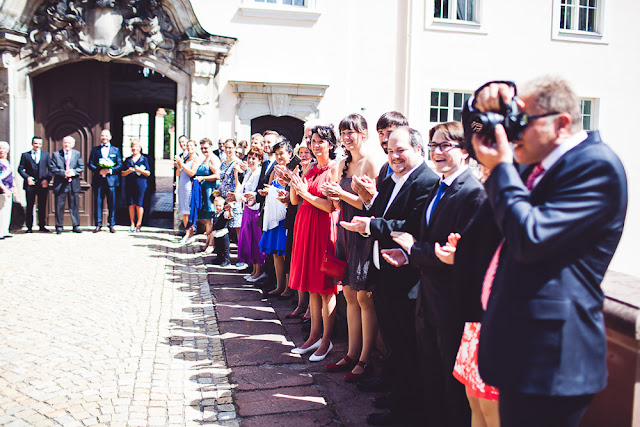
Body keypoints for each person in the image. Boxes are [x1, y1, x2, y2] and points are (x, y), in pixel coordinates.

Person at [464, 77, 627, 426]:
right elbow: (475, 133)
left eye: (522, 122)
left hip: (551, 360)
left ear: (562, 123)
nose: (513, 133)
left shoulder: (595, 165)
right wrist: (480, 104)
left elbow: (530, 237)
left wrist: (502, 169)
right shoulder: (534, 162)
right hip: (521, 350)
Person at [381, 122, 487, 426]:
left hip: (453, 305)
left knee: (451, 387)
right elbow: (429, 240)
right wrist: (407, 255)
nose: (437, 152)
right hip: (428, 301)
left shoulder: (472, 193)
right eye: (434, 146)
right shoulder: (441, 186)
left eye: (445, 145)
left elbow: (460, 255)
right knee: (430, 378)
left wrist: (414, 250)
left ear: (465, 151)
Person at [341, 126, 438, 425]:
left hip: (405, 274)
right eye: (390, 150)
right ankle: (394, 389)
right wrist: (368, 203)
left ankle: (406, 410)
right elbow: (381, 211)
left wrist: (369, 226)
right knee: (395, 339)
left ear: (419, 150)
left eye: (400, 150)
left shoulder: (426, 181)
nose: (393, 155)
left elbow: (409, 224)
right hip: (384, 269)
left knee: (408, 344)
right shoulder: (393, 177)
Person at [320, 114, 385, 383]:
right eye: (343, 133)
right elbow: (339, 205)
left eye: (352, 132)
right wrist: (332, 197)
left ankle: (366, 358)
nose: (347, 137)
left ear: (364, 133)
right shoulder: (343, 164)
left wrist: (341, 194)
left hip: (364, 234)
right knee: (349, 297)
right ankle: (351, 352)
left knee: (364, 299)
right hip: (346, 232)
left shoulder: (372, 162)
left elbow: (371, 205)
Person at [287, 124, 341, 363]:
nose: (315, 145)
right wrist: (292, 183)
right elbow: (295, 199)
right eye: (313, 140)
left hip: (322, 228)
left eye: (321, 141)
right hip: (305, 226)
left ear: (330, 144)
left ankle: (327, 340)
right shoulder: (310, 167)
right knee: (311, 286)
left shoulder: (334, 169)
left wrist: (305, 193)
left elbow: (330, 206)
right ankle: (313, 336)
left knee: (325, 288)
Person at [258, 140, 293, 297]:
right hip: (274, 217)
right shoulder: (274, 170)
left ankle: (289, 288)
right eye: (277, 153)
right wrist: (268, 192)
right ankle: (279, 286)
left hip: (286, 218)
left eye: (282, 153)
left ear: (289, 154)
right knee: (276, 254)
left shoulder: (293, 170)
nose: (279, 156)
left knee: (285, 253)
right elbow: (271, 186)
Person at [236, 147, 267, 280]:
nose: (250, 160)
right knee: (249, 240)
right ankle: (254, 270)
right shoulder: (249, 172)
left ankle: (259, 270)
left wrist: (246, 197)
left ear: (260, 160)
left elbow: (256, 192)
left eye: (254, 158)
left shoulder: (259, 172)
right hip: (247, 209)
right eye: (249, 157)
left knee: (256, 240)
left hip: (255, 209)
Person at [88, 129, 123, 233]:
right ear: (100, 137)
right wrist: (98, 170)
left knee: (112, 203)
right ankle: (98, 224)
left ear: (110, 137)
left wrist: (110, 170)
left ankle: (111, 224)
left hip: (111, 181)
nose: (104, 138)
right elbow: (90, 163)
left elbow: (120, 164)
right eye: (103, 136)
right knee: (98, 203)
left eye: (106, 136)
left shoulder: (115, 150)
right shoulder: (95, 150)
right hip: (99, 180)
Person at [50, 136, 85, 234]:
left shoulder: (77, 154)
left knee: (74, 205)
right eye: (65, 142)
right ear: (62, 143)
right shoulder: (56, 154)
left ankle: (76, 225)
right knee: (59, 206)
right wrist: (63, 173)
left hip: (73, 183)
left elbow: (81, 166)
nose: (67, 145)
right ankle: (59, 226)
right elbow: (52, 167)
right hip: (60, 183)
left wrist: (73, 172)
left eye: (69, 143)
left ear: (73, 144)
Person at [18, 136, 51, 232]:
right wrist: (27, 177)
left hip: (42, 184)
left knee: (42, 205)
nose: (37, 145)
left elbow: (51, 169)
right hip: (30, 185)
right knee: (30, 206)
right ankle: (29, 227)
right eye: (36, 143)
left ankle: (42, 226)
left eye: (39, 144)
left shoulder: (45, 155)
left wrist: (47, 180)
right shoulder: (25, 155)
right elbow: (20, 169)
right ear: (32, 143)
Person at [195, 138, 222, 252]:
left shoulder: (213, 159)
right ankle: (207, 241)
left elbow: (217, 176)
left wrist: (203, 178)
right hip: (204, 190)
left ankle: (212, 244)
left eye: (205, 148)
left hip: (211, 190)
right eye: (201, 148)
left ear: (211, 147)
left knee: (211, 218)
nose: (203, 150)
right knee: (207, 219)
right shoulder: (204, 159)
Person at [121, 139, 151, 232]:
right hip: (130, 184)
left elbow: (148, 173)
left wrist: (140, 170)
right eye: (133, 147)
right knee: (131, 204)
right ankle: (132, 223)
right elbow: (122, 173)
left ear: (140, 148)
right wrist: (128, 171)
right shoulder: (128, 160)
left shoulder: (144, 159)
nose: (135, 149)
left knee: (139, 204)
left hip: (141, 183)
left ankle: (138, 224)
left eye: (136, 147)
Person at [175, 139, 201, 244]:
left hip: (189, 186)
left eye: (191, 146)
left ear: (195, 147)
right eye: (188, 145)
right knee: (184, 212)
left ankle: (190, 234)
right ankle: (187, 232)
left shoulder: (196, 159)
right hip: (182, 186)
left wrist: (182, 164)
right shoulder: (185, 158)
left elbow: (192, 173)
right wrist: (178, 165)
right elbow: (178, 173)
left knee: (189, 211)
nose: (189, 147)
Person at [219, 139, 244, 243]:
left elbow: (238, 184)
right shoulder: (224, 162)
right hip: (223, 198)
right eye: (226, 147)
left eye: (230, 147)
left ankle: (241, 255)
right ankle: (224, 255)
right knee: (224, 228)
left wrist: (232, 200)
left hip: (233, 199)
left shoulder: (237, 163)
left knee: (237, 228)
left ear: (234, 148)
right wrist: (218, 193)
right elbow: (222, 180)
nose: (228, 150)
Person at [0, 141, 15, 239]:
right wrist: (5, 189)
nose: (1, 150)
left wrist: (14, 189)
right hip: (2, 190)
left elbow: (11, 176)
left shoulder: (7, 162)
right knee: (1, 211)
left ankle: (5, 230)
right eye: (0, 148)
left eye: (3, 148)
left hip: (9, 190)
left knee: (6, 211)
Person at [211, 196, 232, 267]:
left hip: (223, 233)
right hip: (216, 233)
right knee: (218, 247)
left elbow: (229, 216)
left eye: (220, 206)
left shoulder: (224, 213)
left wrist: (229, 210)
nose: (218, 207)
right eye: (216, 206)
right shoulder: (215, 214)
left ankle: (227, 260)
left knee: (225, 248)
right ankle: (219, 258)